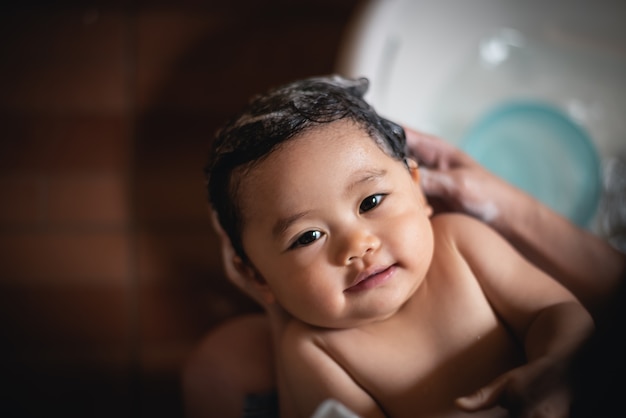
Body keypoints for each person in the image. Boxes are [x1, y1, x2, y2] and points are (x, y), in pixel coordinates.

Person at [189, 75, 596, 418]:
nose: (357, 245)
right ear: (257, 276)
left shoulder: (461, 245)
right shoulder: (315, 351)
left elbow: (556, 312)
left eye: (371, 202)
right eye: (308, 236)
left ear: (418, 191)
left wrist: (555, 364)